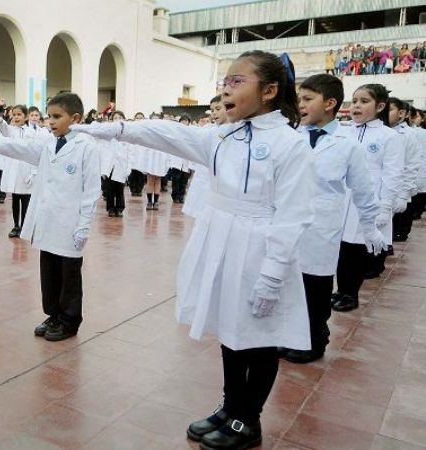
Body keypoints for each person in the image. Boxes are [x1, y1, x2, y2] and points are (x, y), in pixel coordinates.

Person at [74, 50, 315, 450]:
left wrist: (273, 274)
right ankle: (229, 406)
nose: (226, 88)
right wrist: (114, 131)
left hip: (260, 247)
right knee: (230, 328)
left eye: (237, 81)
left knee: (258, 336)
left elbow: (293, 215)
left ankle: (247, 420)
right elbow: (170, 134)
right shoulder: (223, 136)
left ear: (270, 91)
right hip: (222, 241)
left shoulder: (290, 145)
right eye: (225, 80)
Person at [0, 92, 100, 342]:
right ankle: (53, 314)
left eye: (57, 117)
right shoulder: (48, 144)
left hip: (70, 222)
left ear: (75, 118)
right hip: (49, 219)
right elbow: (17, 148)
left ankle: (69, 320)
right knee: (49, 270)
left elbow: (92, 190)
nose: (50, 121)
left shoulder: (87, 148)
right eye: (49, 116)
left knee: (69, 273)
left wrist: (84, 225)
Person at [284, 74, 383, 364]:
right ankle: (288, 336)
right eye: (299, 99)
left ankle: (315, 340)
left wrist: (371, 229)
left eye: (307, 99)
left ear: (329, 104)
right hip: (288, 221)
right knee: (289, 283)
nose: (300, 104)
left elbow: (364, 192)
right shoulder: (291, 137)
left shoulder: (348, 144)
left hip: (322, 225)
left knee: (315, 286)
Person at [332, 84, 405, 311]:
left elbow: (392, 174)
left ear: (380, 106)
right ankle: (340, 289)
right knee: (341, 247)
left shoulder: (388, 137)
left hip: (367, 201)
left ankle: (351, 294)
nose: (356, 106)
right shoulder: (343, 131)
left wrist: (385, 207)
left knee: (357, 248)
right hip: (343, 198)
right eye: (354, 101)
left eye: (364, 101)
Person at [0, 105, 39, 238]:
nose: (16, 117)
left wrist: (34, 172)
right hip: (14, 168)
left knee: (25, 198)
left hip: (27, 168)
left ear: (26, 116)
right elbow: (3, 127)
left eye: (19, 114)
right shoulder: (11, 130)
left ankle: (24, 226)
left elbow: (35, 152)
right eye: (14, 114)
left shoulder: (32, 132)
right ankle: (16, 225)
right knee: (15, 198)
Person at [183, 95, 227, 220]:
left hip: (221, 184)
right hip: (204, 178)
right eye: (212, 110)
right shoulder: (208, 130)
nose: (214, 113)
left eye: (218, 109)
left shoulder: (235, 130)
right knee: (201, 215)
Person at [390, 98, 422, 242]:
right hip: (387, 184)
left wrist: (406, 191)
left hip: (402, 181)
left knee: (401, 214)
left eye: (389, 110)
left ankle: (400, 233)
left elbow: (413, 163)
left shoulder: (409, 134)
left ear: (402, 113)